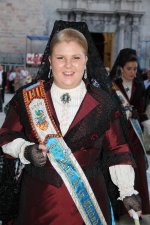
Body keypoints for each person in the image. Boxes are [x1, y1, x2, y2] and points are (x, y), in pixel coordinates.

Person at [0, 21, 142, 225]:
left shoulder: (104, 103)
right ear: (50, 61)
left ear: (86, 59)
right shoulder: (29, 98)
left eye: (76, 58)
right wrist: (26, 150)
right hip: (37, 202)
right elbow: (6, 134)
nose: (68, 65)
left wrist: (127, 190)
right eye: (61, 58)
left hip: (88, 203)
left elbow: (117, 149)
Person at [109, 48, 150, 218]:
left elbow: (140, 112)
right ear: (121, 68)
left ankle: (139, 208)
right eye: (129, 69)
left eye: (135, 69)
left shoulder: (139, 86)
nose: (133, 72)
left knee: (138, 169)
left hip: (134, 135)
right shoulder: (112, 86)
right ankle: (118, 209)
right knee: (119, 169)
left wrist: (145, 123)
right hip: (117, 135)